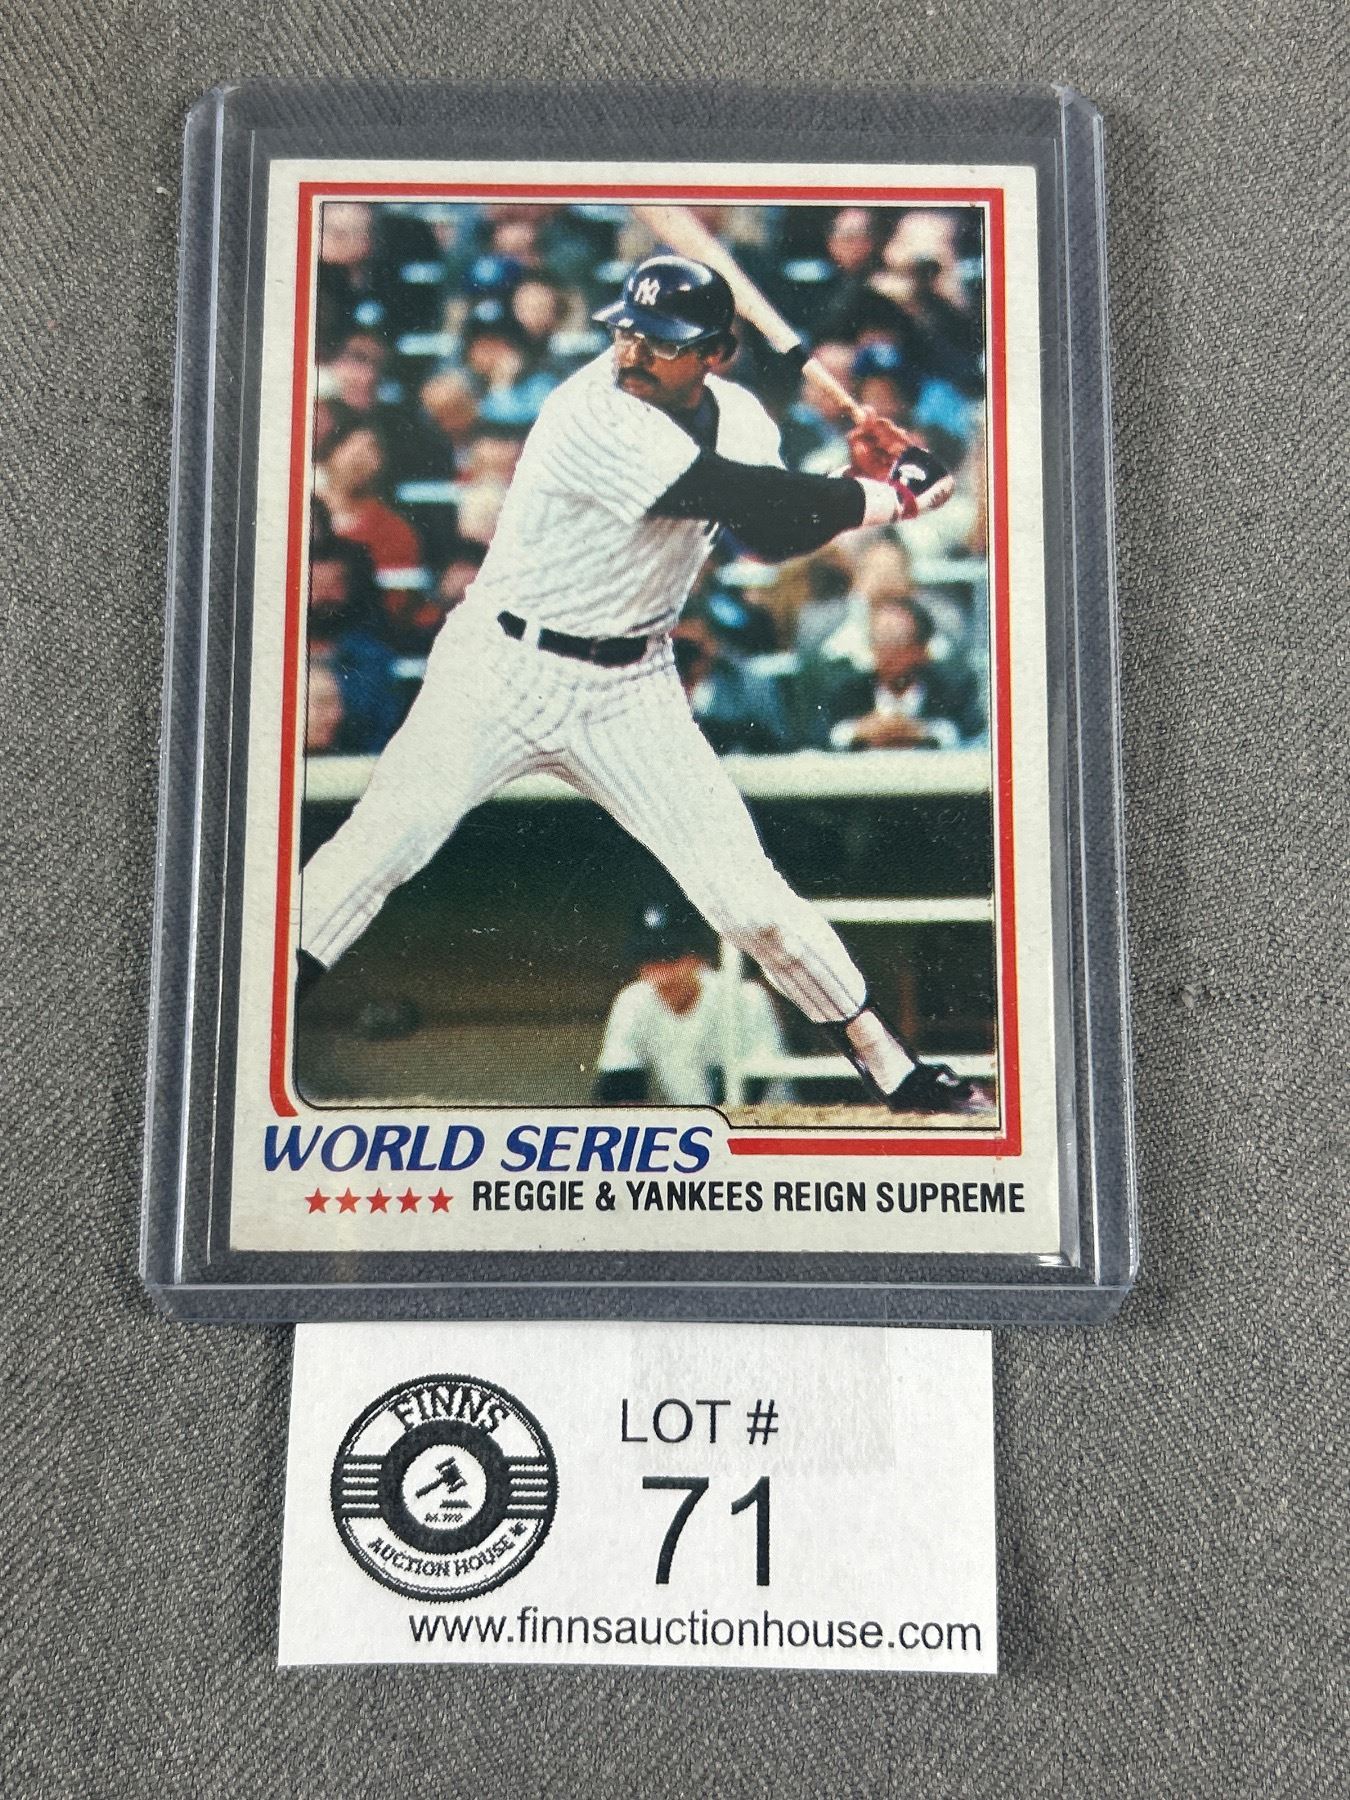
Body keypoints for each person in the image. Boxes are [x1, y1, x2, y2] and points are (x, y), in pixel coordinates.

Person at [297, 254, 980, 1115]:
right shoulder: (590, 411)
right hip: (503, 665)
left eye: (662, 342)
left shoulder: (740, 416)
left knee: (750, 902)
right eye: (628, 331)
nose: (633, 352)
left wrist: (855, 486)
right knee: (383, 845)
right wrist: (892, 498)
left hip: (631, 685)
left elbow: (765, 535)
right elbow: (725, 491)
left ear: (717, 353)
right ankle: (245, 1033)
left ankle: (899, 1075)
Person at [593, 902, 792, 1106]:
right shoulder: (633, 1002)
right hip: (698, 1122)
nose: (661, 976)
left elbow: (751, 1093)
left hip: (767, 1119)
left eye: (671, 958)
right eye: (649, 960)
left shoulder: (746, 997)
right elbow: (617, 1089)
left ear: (697, 958)